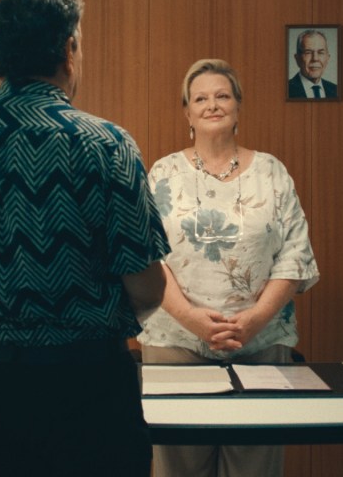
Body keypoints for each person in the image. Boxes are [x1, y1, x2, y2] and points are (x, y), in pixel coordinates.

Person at [0, 0, 170, 477]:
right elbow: (147, 284)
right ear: (69, 49)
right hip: (89, 389)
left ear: (0, 53)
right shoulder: (106, 144)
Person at [140, 59, 319, 477]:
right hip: (176, 343)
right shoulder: (163, 172)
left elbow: (295, 253)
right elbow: (147, 256)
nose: (212, 105)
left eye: (222, 95)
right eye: (200, 98)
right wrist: (191, 319)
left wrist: (255, 319)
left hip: (261, 343)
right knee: (179, 467)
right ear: (187, 112)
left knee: (254, 467)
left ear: (239, 106)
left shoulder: (272, 172)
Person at [288, 29, 338, 99]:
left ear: (327, 58)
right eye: (308, 52)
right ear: (297, 59)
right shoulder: (286, 90)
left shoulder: (336, 90)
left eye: (320, 52)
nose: (315, 59)